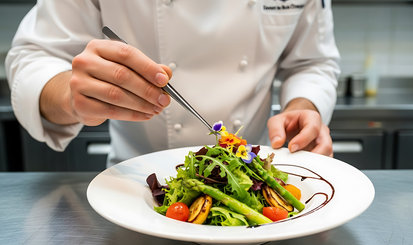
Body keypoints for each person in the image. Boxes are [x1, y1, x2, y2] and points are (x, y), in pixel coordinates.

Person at [6, 0, 340, 168]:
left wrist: (303, 105)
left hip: (256, 180)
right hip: (135, 190)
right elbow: (33, 58)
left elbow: (313, 61)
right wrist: (69, 95)